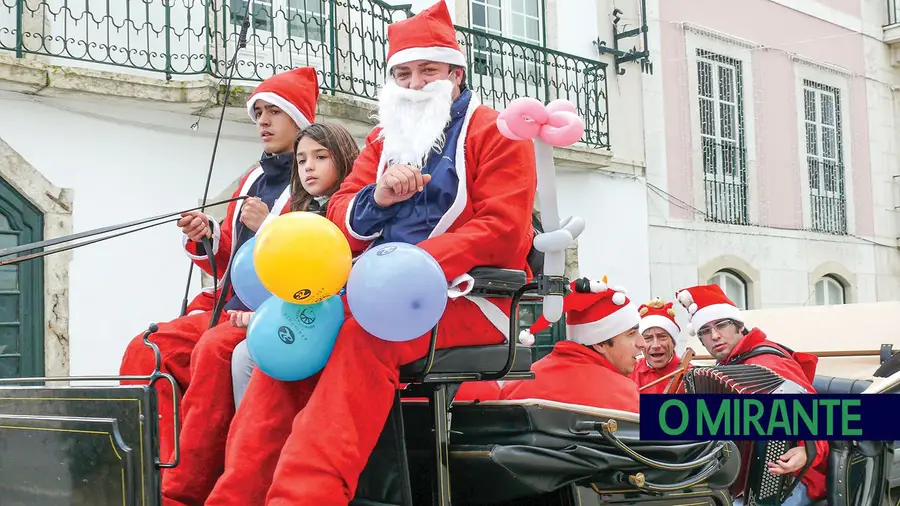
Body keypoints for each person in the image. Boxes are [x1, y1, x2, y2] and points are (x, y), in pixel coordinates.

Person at [202, 2, 538, 505]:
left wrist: (408, 268)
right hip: (368, 292)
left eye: (428, 70)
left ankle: (303, 497)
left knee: (363, 336)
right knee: (291, 342)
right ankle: (235, 497)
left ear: (456, 72)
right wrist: (378, 198)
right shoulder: (383, 141)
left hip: (468, 300)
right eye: (403, 73)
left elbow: (503, 230)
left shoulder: (497, 131)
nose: (415, 82)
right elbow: (338, 215)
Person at [117, 66, 319, 477]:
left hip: (271, 309)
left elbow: (315, 256)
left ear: (299, 119)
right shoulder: (253, 177)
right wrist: (206, 235)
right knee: (147, 348)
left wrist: (270, 228)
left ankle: (193, 478)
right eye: (258, 112)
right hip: (225, 302)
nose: (262, 121)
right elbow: (228, 262)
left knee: (212, 351)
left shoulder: (313, 179)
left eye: (273, 112)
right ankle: (155, 465)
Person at [160, 123, 359, 506]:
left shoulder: (346, 215)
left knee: (238, 354)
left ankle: (250, 476)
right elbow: (274, 275)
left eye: (321, 157)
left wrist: (264, 316)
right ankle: (183, 469)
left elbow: (324, 281)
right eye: (302, 160)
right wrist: (208, 235)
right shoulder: (300, 209)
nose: (309, 168)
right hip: (280, 315)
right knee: (160, 348)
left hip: (325, 324)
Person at [674, 284, 827, 506]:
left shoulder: (770, 363)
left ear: (738, 326)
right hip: (738, 477)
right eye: (705, 332)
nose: (715, 336)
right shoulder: (721, 369)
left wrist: (807, 450)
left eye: (721, 325)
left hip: (794, 476)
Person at [500, 278, 641, 412]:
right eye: (631, 333)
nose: (642, 343)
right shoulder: (625, 394)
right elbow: (660, 431)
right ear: (600, 343)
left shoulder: (516, 385)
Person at [629, 297, 684, 394]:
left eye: (662, 337)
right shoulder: (628, 371)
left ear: (673, 342)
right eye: (648, 338)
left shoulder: (690, 375)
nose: (655, 345)